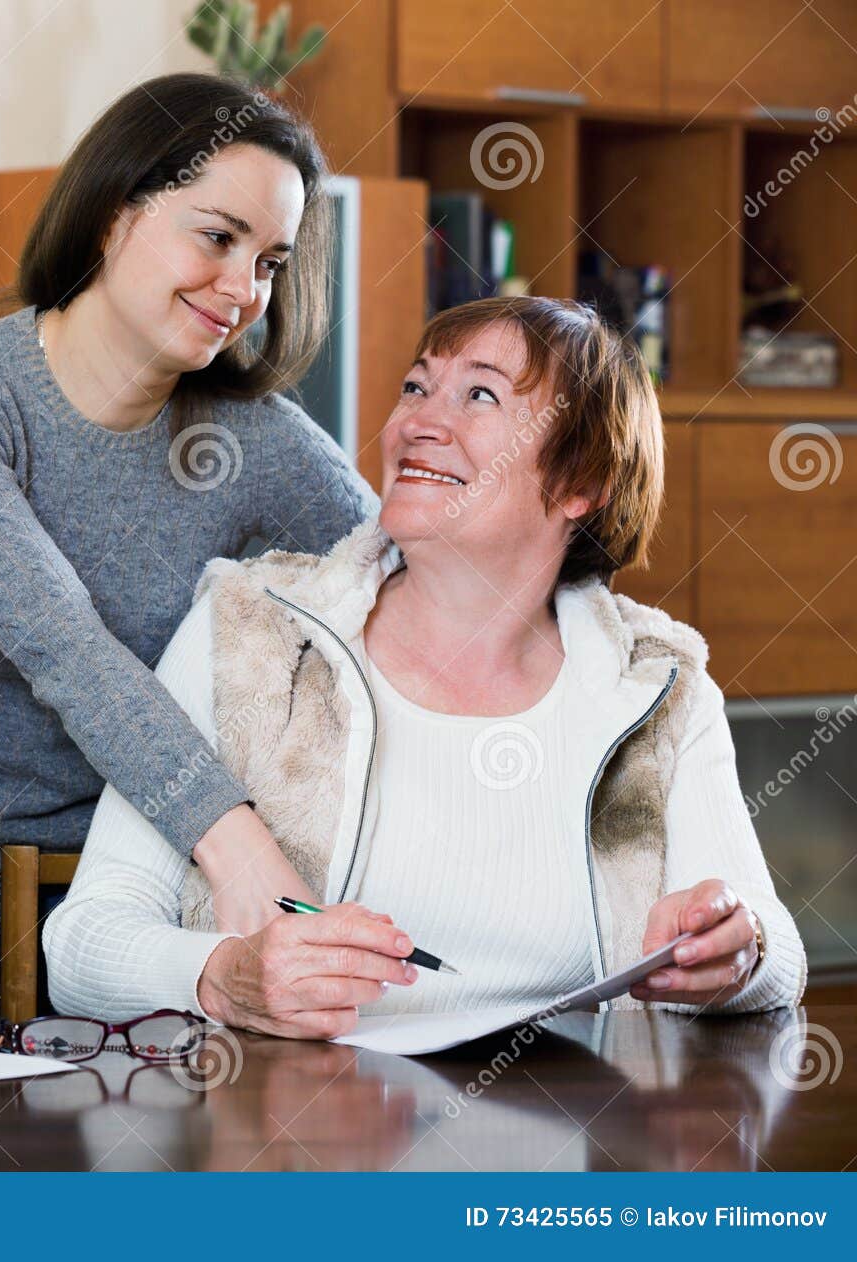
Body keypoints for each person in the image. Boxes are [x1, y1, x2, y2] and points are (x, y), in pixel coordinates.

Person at [45, 296, 807, 1036]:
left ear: (582, 482)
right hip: (294, 1118)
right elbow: (81, 947)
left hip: (579, 1116)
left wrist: (739, 956)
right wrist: (223, 977)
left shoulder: (658, 684)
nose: (417, 423)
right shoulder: (250, 629)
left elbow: (776, 955)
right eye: (416, 387)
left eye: (480, 394)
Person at [0, 72, 377, 1010]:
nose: (244, 290)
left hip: (172, 884)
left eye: (270, 262)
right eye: (217, 238)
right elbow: (63, 645)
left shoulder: (254, 438)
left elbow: (413, 582)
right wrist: (235, 843)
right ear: (113, 217)